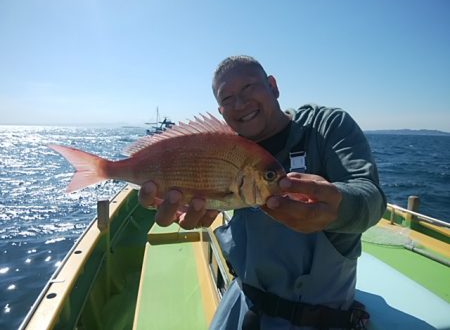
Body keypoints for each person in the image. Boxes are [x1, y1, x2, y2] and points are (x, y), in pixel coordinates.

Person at [139, 55, 386, 329]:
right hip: (245, 302)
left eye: (249, 88)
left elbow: (370, 196)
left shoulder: (326, 126)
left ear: (273, 86)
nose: (241, 104)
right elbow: (201, 191)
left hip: (323, 317)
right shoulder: (227, 148)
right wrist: (175, 199)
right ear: (221, 112)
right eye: (228, 98)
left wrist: (337, 207)